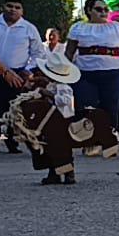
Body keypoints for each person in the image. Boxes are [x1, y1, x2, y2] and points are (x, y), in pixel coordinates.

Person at [65, 0, 119, 137]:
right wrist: (62, 73)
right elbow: (69, 52)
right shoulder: (77, 27)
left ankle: (108, 139)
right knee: (86, 107)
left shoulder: (117, 27)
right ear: (88, 10)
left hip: (113, 74)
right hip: (85, 74)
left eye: (106, 10)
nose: (104, 13)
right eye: (99, 9)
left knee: (111, 107)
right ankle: (88, 140)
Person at [0, 0, 43, 153]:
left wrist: (28, 69)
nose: (13, 10)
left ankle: (12, 142)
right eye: (10, 6)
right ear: (3, 7)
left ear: (22, 11)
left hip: (17, 74)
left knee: (14, 109)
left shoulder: (29, 28)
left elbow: (38, 53)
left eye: (17, 7)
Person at [27, 52, 81, 185]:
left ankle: (69, 173)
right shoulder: (51, 85)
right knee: (50, 148)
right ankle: (54, 173)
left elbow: (64, 101)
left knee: (63, 149)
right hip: (50, 121)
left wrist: (49, 95)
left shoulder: (63, 87)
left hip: (62, 120)